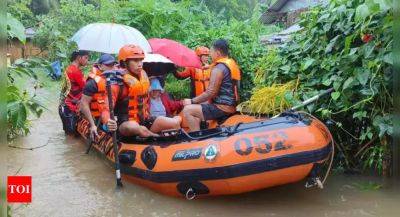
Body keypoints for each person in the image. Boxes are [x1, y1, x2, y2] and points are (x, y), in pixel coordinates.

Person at [103, 45, 181, 137]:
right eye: (135, 61)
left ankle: (148, 134)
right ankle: (152, 135)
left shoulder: (143, 77)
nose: (140, 64)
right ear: (124, 63)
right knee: (132, 127)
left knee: (174, 123)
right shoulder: (117, 84)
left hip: (144, 120)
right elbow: (106, 109)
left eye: (141, 60)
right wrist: (107, 121)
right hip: (125, 124)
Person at [181, 39, 241, 132]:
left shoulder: (218, 69)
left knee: (188, 110)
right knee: (200, 104)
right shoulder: (231, 64)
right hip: (231, 105)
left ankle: (196, 137)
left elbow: (211, 92)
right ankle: (203, 128)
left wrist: (191, 101)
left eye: (211, 52)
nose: (210, 55)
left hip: (222, 107)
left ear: (217, 53)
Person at [80, 53, 117, 140]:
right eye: (108, 65)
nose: (112, 68)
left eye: (113, 64)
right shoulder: (92, 83)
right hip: (98, 118)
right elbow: (83, 104)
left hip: (110, 115)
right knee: (109, 127)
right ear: (100, 66)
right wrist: (92, 125)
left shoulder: (117, 80)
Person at [59, 50, 89, 134]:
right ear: (79, 58)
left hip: (64, 106)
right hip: (70, 107)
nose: (87, 60)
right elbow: (86, 87)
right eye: (86, 58)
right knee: (71, 136)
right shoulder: (76, 72)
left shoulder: (69, 68)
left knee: (68, 136)